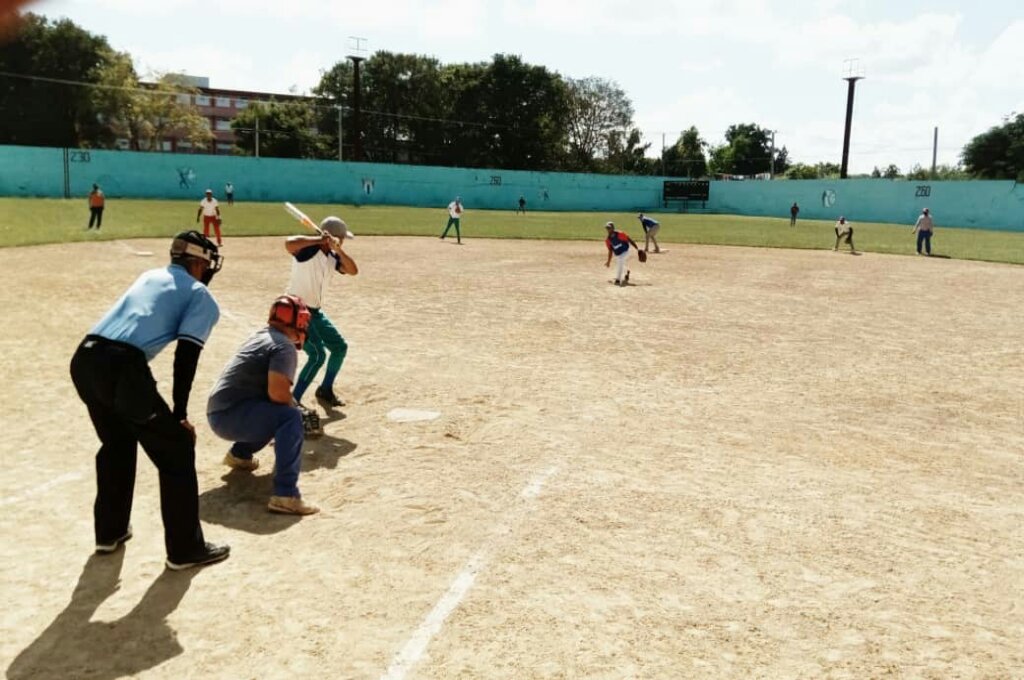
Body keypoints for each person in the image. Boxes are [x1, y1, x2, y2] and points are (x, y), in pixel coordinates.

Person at [69, 231, 229, 571]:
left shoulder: (150, 275)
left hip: (84, 359)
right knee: (177, 450)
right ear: (199, 262)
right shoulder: (200, 295)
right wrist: (180, 415)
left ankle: (108, 532)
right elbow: (186, 357)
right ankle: (185, 549)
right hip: (122, 367)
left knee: (117, 442)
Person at [207, 295, 319, 515]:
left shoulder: (262, 335)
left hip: (222, 412)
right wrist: (296, 409)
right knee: (289, 417)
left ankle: (240, 455)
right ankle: (286, 495)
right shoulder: (283, 346)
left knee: (276, 411)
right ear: (295, 321)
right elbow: (278, 394)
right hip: (230, 416)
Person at [285, 217, 359, 411]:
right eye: (341, 239)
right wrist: (319, 241)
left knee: (339, 347)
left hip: (314, 313)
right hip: (296, 310)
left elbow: (353, 271)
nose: (341, 242)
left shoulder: (332, 258)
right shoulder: (308, 251)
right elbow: (288, 243)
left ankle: (325, 389)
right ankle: (292, 402)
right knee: (317, 355)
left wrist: (339, 250)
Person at [604, 221, 642, 286]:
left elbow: (629, 240)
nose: (608, 229)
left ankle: (618, 279)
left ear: (613, 228)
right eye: (607, 228)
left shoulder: (620, 234)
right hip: (618, 254)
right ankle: (626, 272)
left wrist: (637, 248)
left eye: (609, 228)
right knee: (621, 262)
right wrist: (608, 262)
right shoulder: (608, 240)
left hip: (626, 251)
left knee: (620, 261)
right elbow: (610, 251)